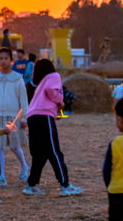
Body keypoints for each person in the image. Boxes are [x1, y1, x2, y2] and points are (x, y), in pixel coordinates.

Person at [24, 58, 83, 197]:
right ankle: (65, 186)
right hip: (43, 117)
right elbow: (52, 92)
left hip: (33, 117)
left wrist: (57, 113)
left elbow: (46, 104)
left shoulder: (40, 84)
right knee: (54, 151)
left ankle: (31, 186)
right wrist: (61, 102)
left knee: (39, 155)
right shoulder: (54, 76)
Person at [0, 47, 30, 186]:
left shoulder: (17, 78)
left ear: (11, 61)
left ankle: (24, 166)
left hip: (13, 117)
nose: (3, 61)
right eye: (0, 58)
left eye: (6, 58)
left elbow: (23, 100)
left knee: (14, 146)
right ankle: (1, 175)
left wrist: (24, 118)